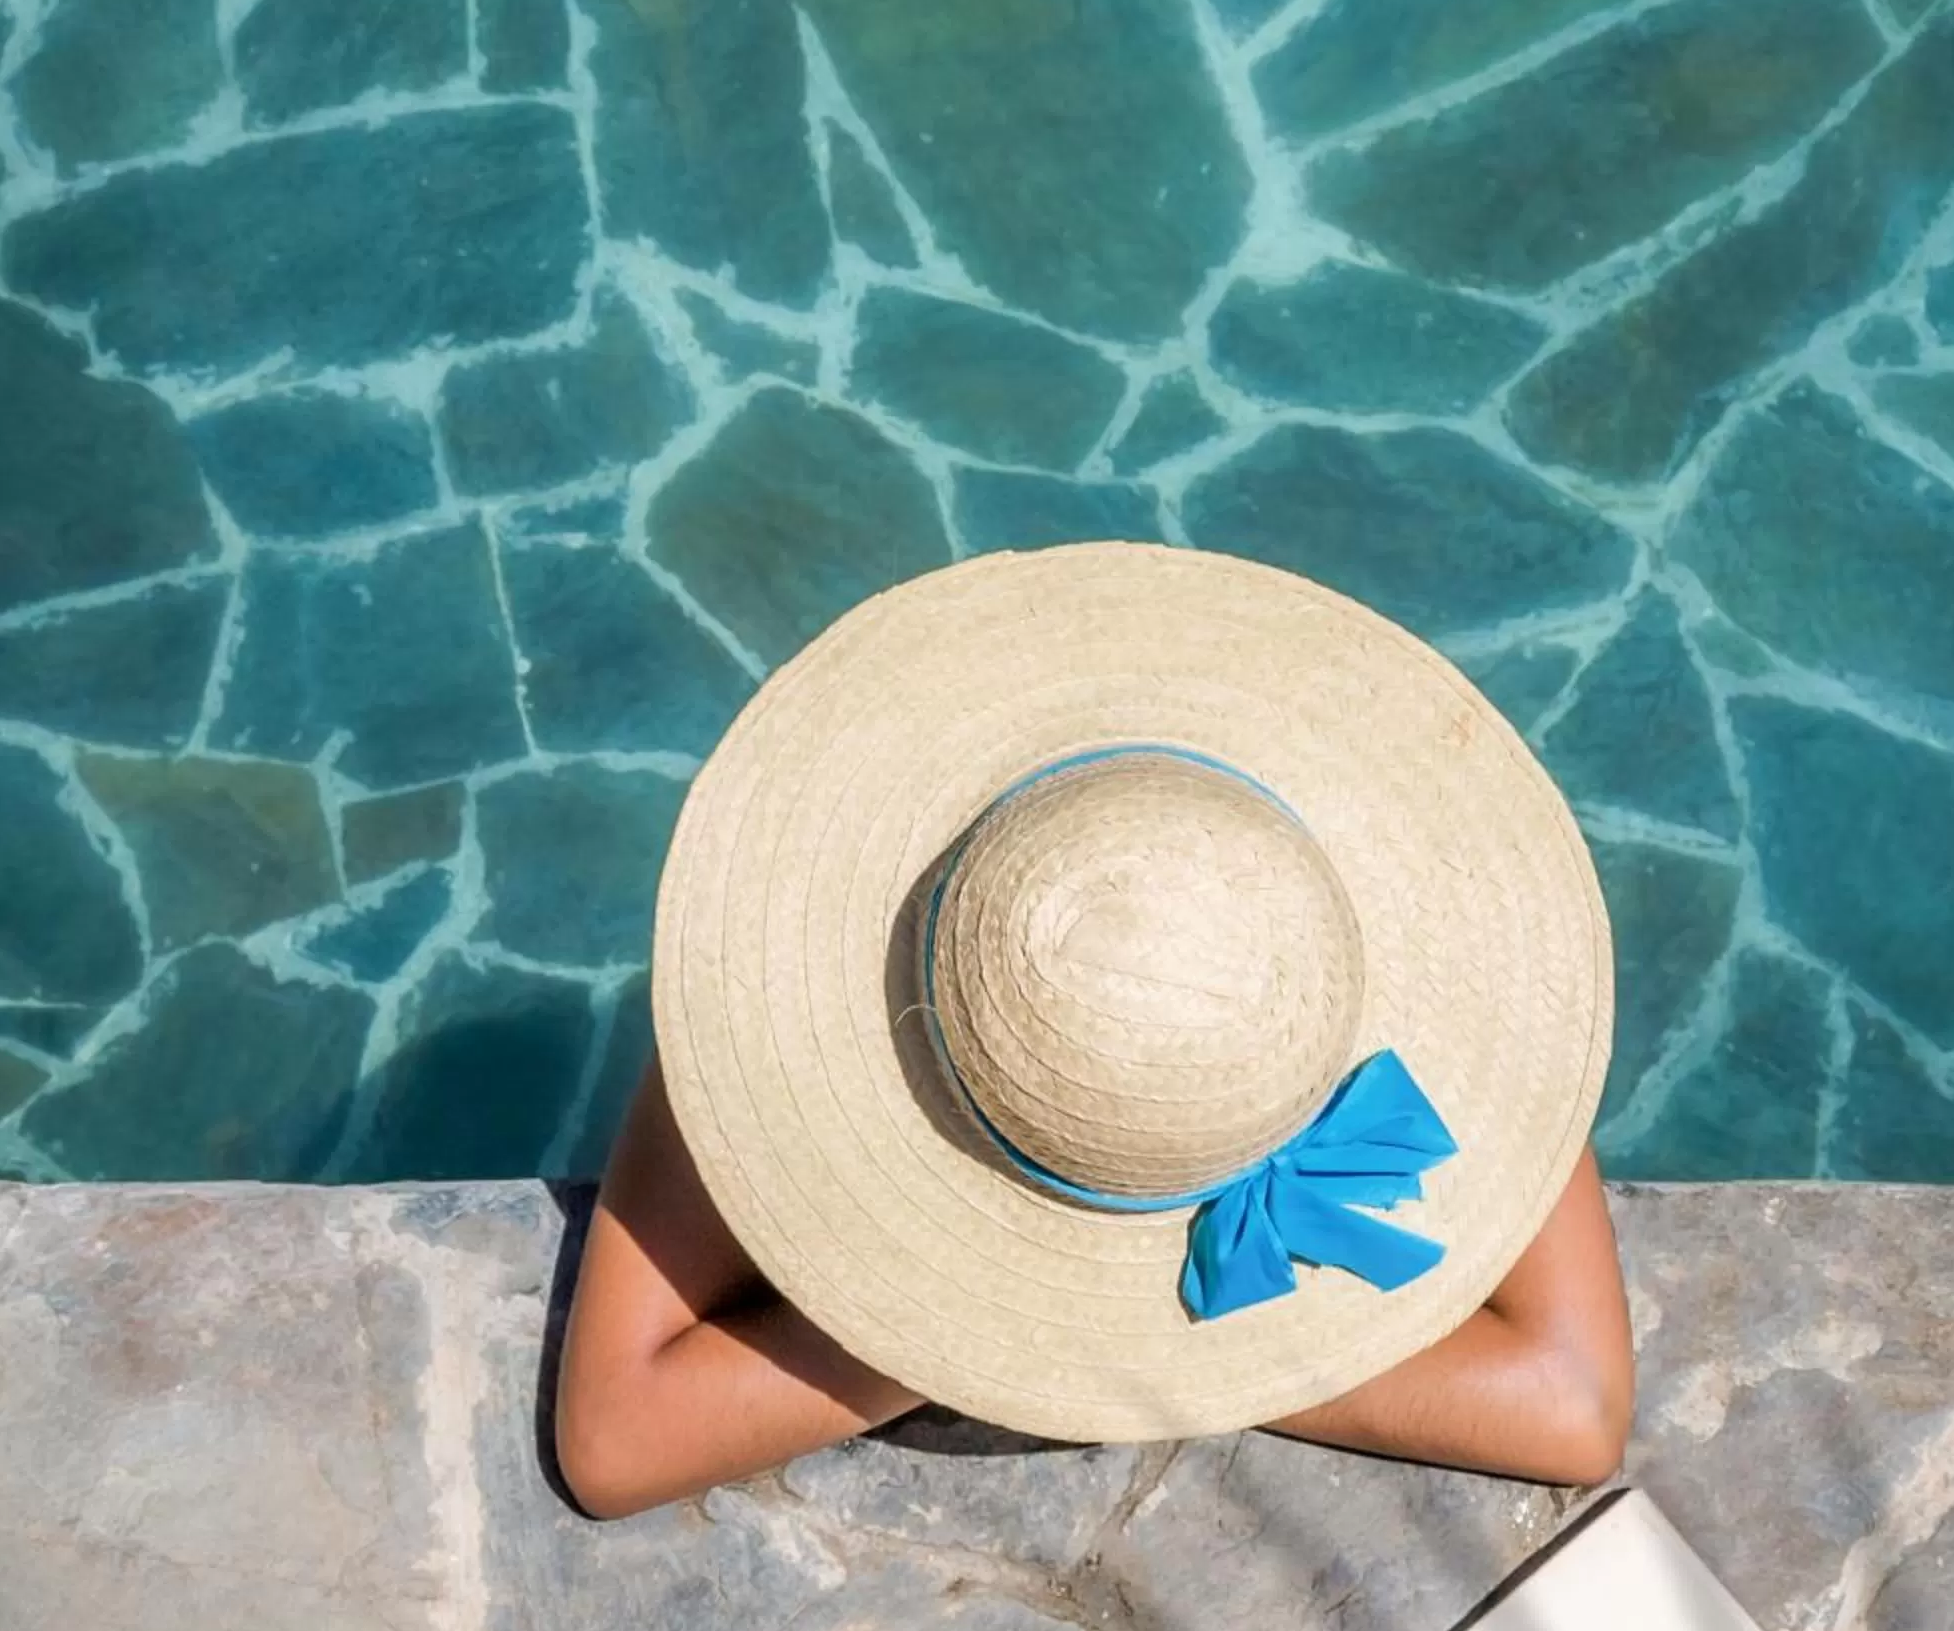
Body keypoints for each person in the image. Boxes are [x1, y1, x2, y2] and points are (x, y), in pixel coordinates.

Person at [556, 545, 1634, 1521]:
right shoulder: (1345, 930)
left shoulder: (1293, 937)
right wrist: (1197, 1343)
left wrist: (988, 1339)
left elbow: (1575, 1412)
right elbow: (1564, 1397)